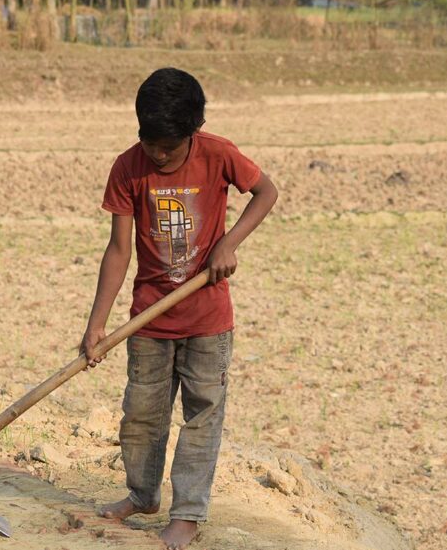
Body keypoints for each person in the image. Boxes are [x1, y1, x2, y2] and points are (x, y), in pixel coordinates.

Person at [80, 67, 278, 550]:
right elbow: (119, 251)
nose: (159, 155)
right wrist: (97, 325)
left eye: (169, 146)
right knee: (142, 414)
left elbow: (266, 192)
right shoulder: (128, 168)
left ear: (192, 132)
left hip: (208, 318)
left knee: (202, 414)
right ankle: (142, 495)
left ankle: (187, 513)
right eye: (151, 143)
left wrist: (229, 244)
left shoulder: (218, 154)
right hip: (149, 316)